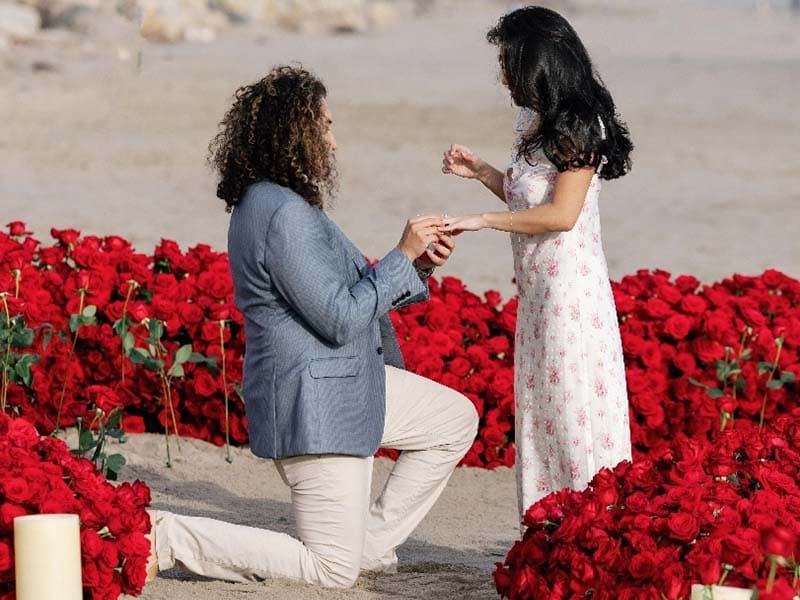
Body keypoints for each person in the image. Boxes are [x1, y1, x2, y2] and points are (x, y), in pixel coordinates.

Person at [145, 65, 478, 589]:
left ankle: (367, 544)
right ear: (291, 133)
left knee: (452, 419)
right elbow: (341, 316)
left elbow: (343, 294)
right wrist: (402, 252)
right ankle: (166, 536)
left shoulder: (282, 203)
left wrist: (418, 266)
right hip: (316, 402)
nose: (334, 142)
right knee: (330, 571)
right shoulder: (281, 214)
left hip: (345, 382)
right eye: (324, 127)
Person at [440, 6, 633, 523]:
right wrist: (481, 171)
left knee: (572, 416)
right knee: (542, 412)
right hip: (539, 295)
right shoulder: (534, 120)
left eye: (508, 61)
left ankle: (590, 530)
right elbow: (528, 200)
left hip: (572, 297)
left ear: (538, 62)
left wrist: (480, 220)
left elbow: (560, 215)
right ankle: (546, 534)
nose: (502, 74)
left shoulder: (578, 124)